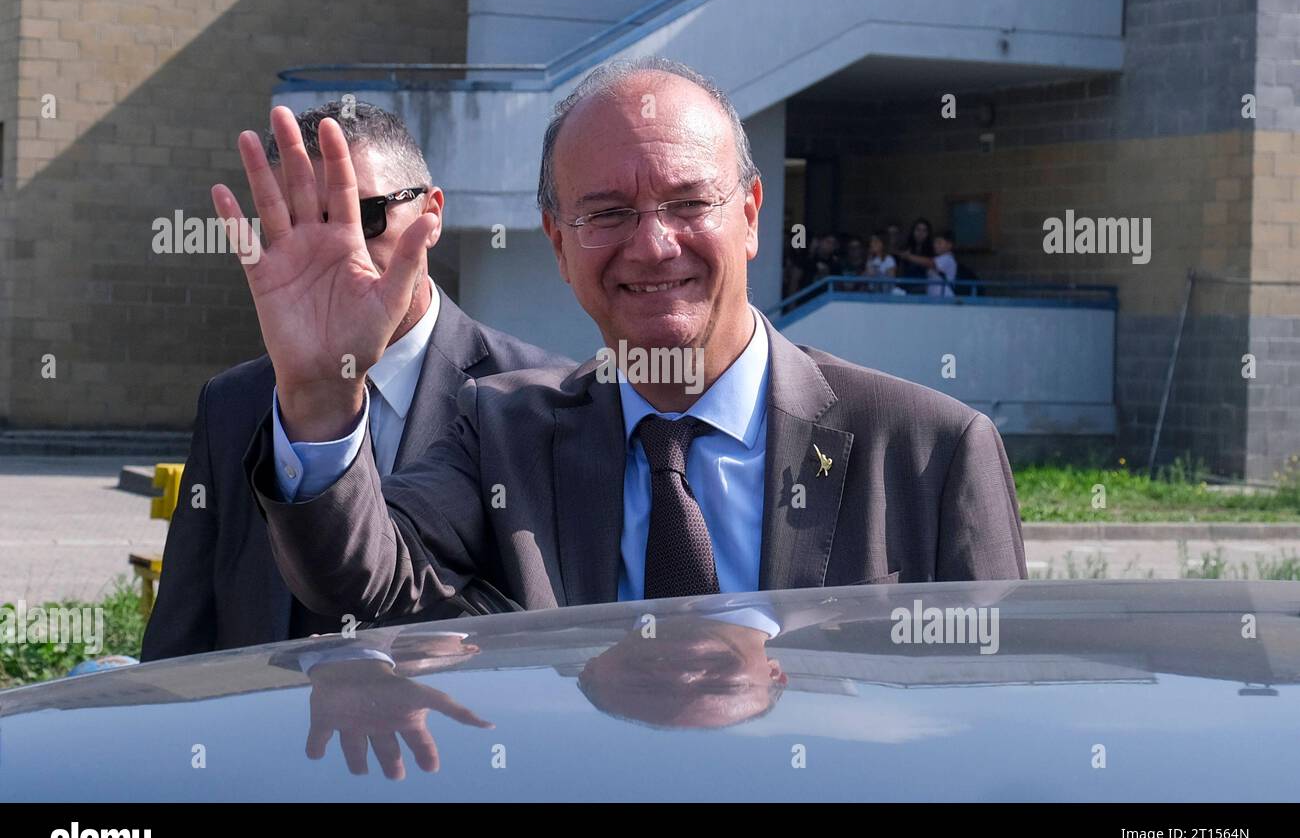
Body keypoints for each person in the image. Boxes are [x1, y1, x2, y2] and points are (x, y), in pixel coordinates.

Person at [217, 57, 1025, 625]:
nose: (653, 245)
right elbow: (360, 577)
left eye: (688, 203)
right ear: (558, 242)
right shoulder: (500, 433)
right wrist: (323, 394)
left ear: (750, 215)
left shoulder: (931, 451)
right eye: (606, 213)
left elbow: (996, 718)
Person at [140, 102, 567, 660]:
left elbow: (566, 629)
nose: (338, 250)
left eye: (365, 216)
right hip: (271, 738)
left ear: (432, 214)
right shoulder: (235, 403)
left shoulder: (540, 401)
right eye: (301, 224)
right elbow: (183, 631)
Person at [897, 228, 960, 298]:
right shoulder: (939, 258)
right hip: (935, 298)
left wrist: (908, 256)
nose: (935, 245)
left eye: (939, 243)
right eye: (935, 242)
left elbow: (930, 263)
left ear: (949, 245)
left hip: (945, 298)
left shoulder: (948, 258)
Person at [896, 217, 933, 294]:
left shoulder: (932, 250)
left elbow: (930, 263)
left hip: (922, 287)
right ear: (913, 231)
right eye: (918, 230)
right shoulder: (905, 247)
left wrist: (909, 257)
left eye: (924, 231)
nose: (920, 233)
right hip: (904, 286)